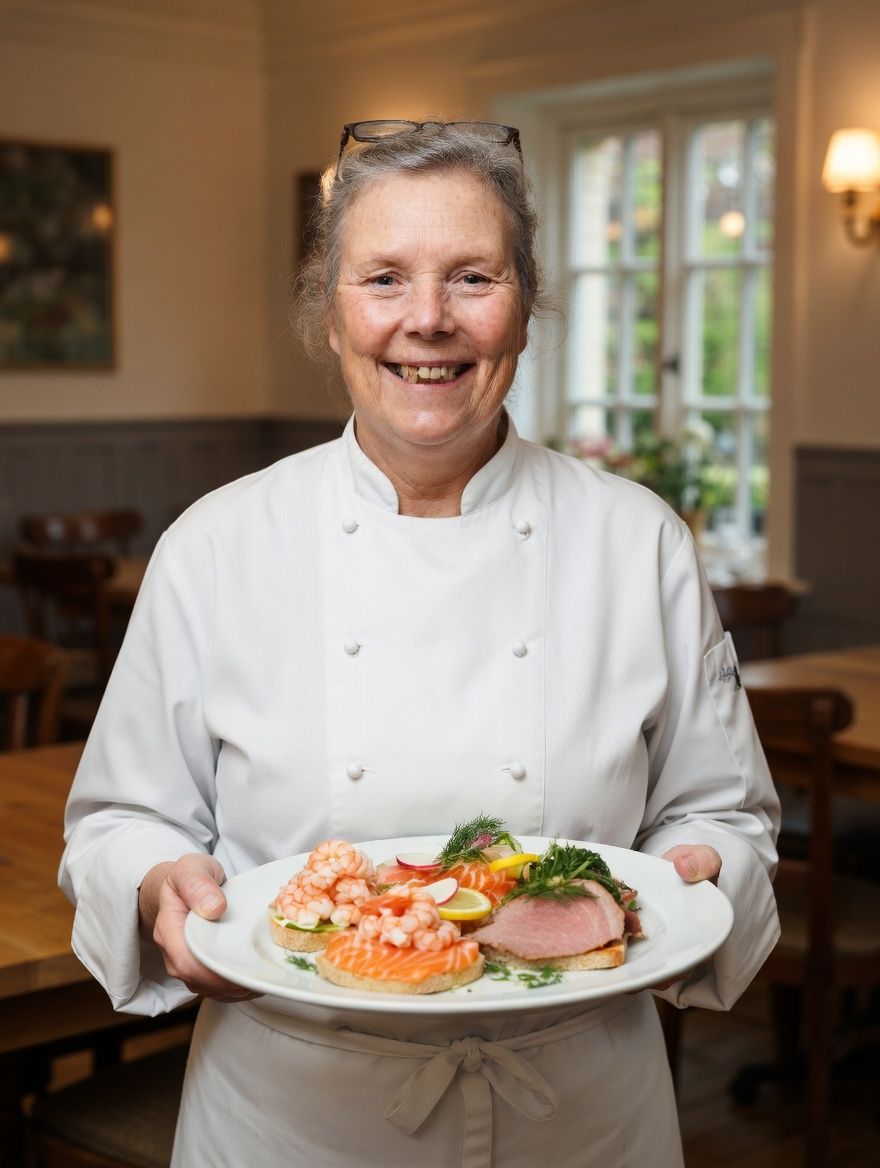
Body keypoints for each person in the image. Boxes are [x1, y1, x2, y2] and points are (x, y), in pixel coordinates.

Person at [60, 119, 780, 1168]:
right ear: (329, 311)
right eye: (385, 278)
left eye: (473, 277)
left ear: (526, 307)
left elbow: (727, 811)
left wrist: (701, 869)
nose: (428, 320)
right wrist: (156, 881)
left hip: (580, 1111)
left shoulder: (639, 541)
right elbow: (121, 817)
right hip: (292, 1115)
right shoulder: (215, 545)